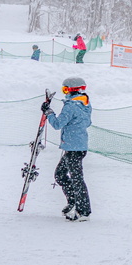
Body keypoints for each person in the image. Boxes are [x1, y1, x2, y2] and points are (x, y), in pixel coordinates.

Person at [42, 78, 93, 221]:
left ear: (72, 90)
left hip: (73, 147)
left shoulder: (70, 106)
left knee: (76, 179)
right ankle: (73, 202)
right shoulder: (86, 103)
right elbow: (88, 122)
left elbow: (58, 124)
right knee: (60, 174)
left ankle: (84, 211)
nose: (64, 93)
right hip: (78, 146)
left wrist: (49, 113)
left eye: (65, 89)